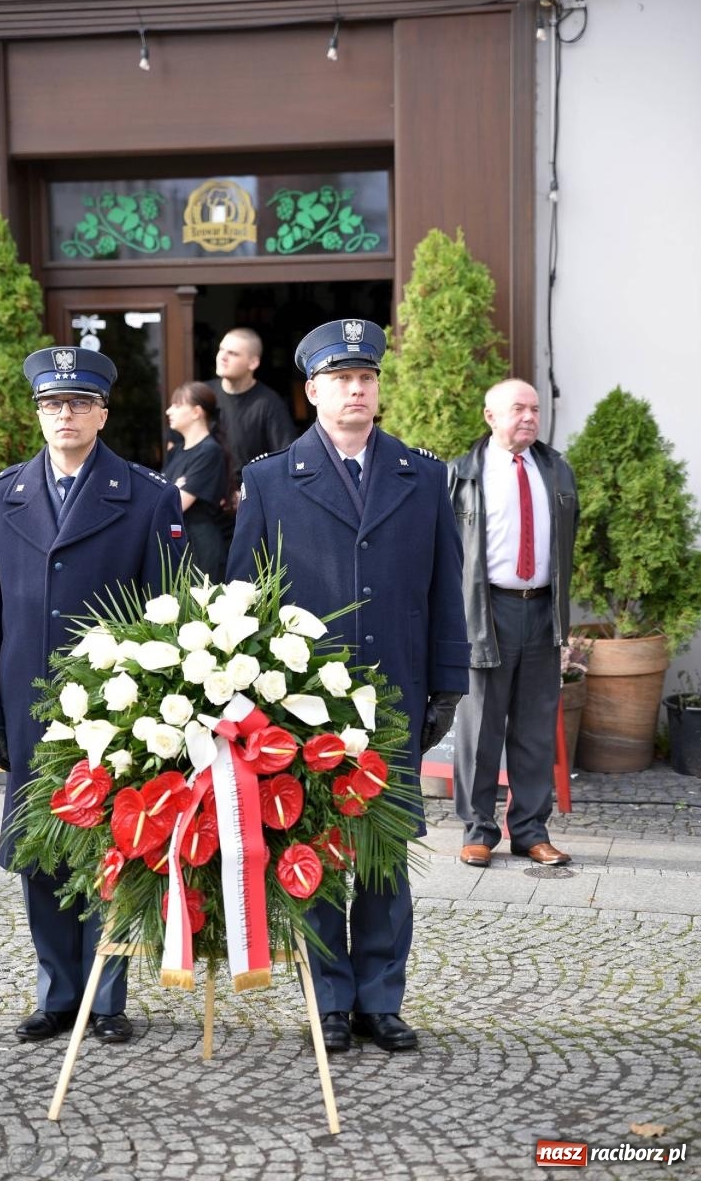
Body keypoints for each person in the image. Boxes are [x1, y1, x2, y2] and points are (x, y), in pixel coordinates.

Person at [226, 318, 470, 1053]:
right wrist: (251, 696)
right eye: (339, 379)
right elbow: (242, 596)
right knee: (317, 850)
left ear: (377, 388)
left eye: (365, 378)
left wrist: (448, 685)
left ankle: (379, 1000)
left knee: (385, 855)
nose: (355, 389)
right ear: (312, 391)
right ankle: (327, 1000)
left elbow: (442, 585)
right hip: (304, 705)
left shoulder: (423, 475)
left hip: (395, 696)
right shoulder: (269, 479)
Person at [0, 346, 185, 1045]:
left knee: (110, 850)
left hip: (116, 712)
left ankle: (105, 995)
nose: (66, 414)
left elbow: (169, 609)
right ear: (39, 413)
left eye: (80, 403)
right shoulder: (1, 496)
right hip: (30, 708)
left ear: (103, 412)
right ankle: (58, 992)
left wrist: (163, 710)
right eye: (54, 403)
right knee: (39, 855)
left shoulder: (146, 495)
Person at [448, 378, 578, 869]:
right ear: (491, 416)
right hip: (487, 609)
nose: (529, 417)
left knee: (536, 727)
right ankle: (478, 829)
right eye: (518, 409)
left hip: (542, 610)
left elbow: (567, 542)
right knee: (480, 726)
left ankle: (530, 830)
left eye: (535, 409)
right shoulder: (463, 474)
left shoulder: (557, 470)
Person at [206, 327, 297, 494]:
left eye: (232, 353)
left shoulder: (270, 403)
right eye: (221, 349)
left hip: (250, 496)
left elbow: (285, 460)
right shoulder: (205, 396)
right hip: (206, 495)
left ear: (253, 363)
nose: (222, 357)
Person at [162, 381, 233, 583]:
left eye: (176, 405)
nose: (169, 411)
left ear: (196, 412)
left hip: (199, 546)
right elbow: (159, 496)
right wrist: (175, 487)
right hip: (178, 542)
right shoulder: (175, 451)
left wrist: (172, 490)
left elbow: (175, 504)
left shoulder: (209, 451)